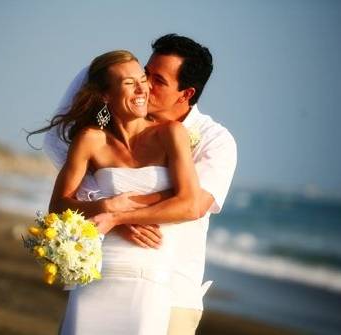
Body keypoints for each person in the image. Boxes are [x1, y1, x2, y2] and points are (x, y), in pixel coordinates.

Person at [42, 34, 237, 334]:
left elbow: (193, 203)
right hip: (102, 270)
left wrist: (118, 215)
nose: (145, 83)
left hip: (174, 288)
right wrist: (107, 209)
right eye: (145, 72)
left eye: (157, 80)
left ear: (185, 94)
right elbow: (72, 195)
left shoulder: (214, 139)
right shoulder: (97, 136)